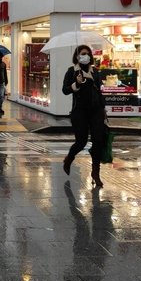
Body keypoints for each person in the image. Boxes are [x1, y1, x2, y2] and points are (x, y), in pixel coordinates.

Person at [61, 44, 106, 188]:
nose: (84, 56)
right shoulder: (72, 71)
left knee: (98, 141)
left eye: (87, 54)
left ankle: (95, 173)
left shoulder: (95, 72)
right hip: (79, 111)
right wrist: (76, 84)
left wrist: (103, 109)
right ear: (77, 56)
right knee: (81, 142)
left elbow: (99, 91)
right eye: (81, 54)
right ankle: (69, 158)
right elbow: (65, 90)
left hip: (96, 111)